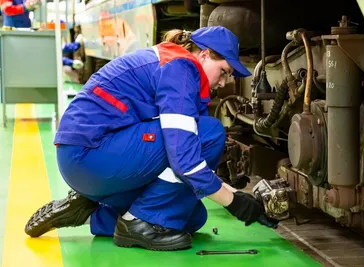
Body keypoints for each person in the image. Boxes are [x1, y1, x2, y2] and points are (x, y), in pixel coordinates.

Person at [24, 26, 277, 251]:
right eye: (223, 72)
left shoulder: (177, 67)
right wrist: (234, 202)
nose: (223, 82)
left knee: (191, 217)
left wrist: (244, 201)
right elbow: (185, 161)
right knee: (209, 133)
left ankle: (90, 211)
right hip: (87, 155)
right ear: (204, 54)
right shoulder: (181, 68)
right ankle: (136, 223)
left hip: (91, 160)